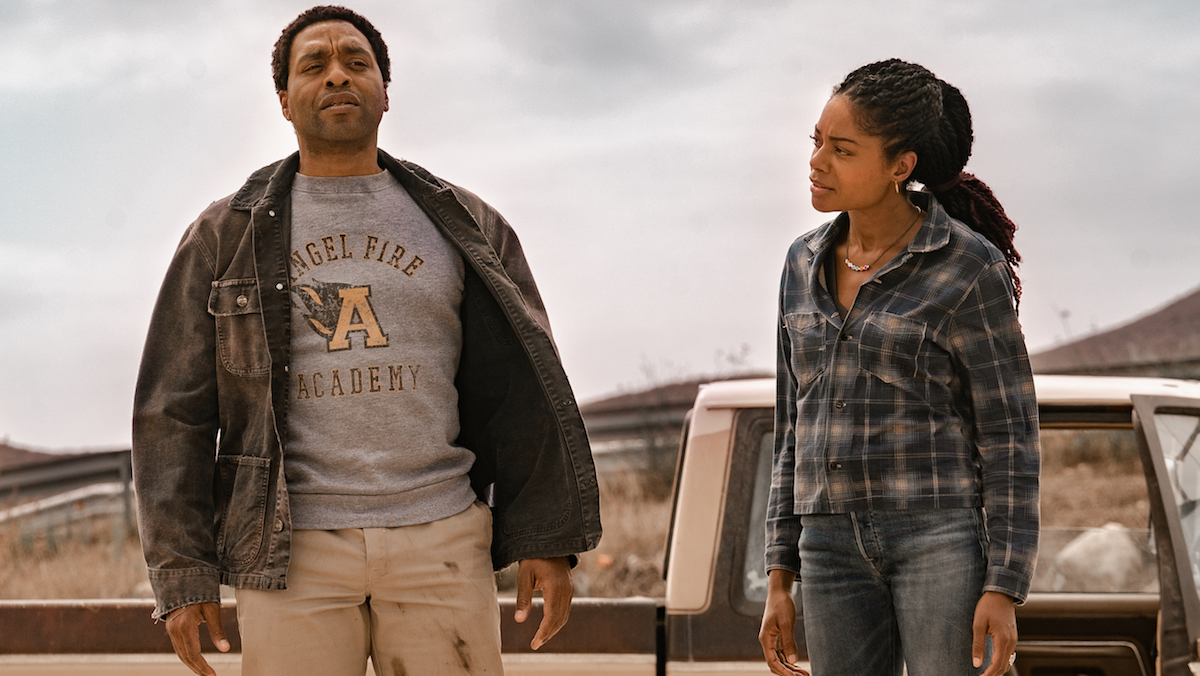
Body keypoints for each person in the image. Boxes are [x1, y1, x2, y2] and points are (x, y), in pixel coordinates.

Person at [131, 6, 601, 676]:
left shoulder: (469, 225)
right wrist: (183, 574)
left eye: (357, 62)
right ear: (285, 99)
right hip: (292, 552)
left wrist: (546, 538)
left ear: (385, 91)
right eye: (313, 65)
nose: (337, 76)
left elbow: (525, 390)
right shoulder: (223, 237)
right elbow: (172, 411)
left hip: (441, 535)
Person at [758, 59, 1039, 676]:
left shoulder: (968, 269)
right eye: (816, 142)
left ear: (899, 166)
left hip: (938, 540)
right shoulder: (800, 265)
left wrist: (1005, 585)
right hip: (826, 544)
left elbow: (1011, 437)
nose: (817, 161)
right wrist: (779, 572)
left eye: (842, 149)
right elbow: (791, 431)